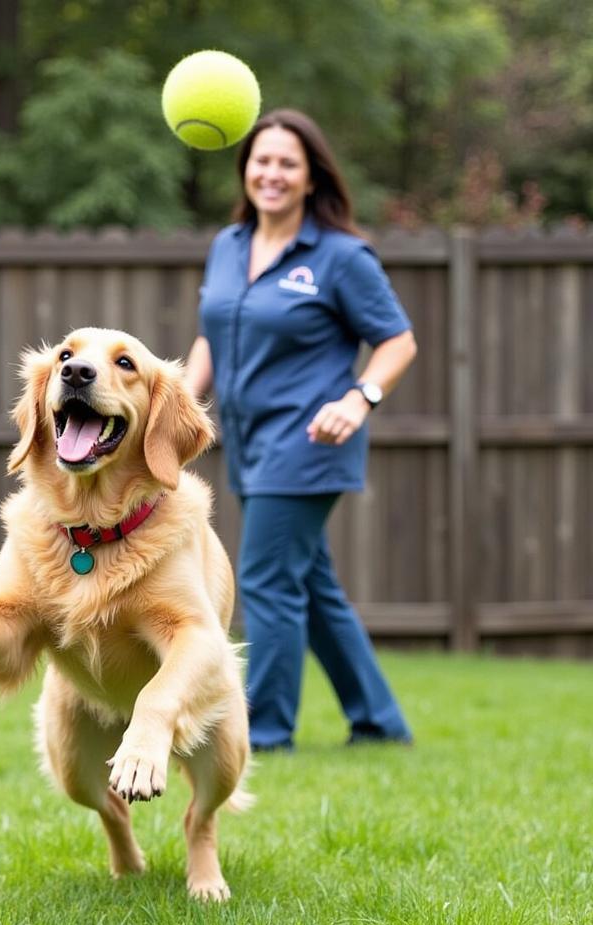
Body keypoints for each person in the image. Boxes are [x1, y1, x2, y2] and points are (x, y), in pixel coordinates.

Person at [185, 108, 416, 752]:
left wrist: (360, 397)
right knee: (311, 585)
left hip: (311, 442)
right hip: (248, 439)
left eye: (289, 163)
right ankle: (378, 721)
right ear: (246, 170)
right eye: (262, 161)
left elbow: (398, 341)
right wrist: (178, 401)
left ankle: (264, 732)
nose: (273, 174)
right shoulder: (228, 246)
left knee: (265, 579)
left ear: (312, 177)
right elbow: (212, 333)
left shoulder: (341, 257)